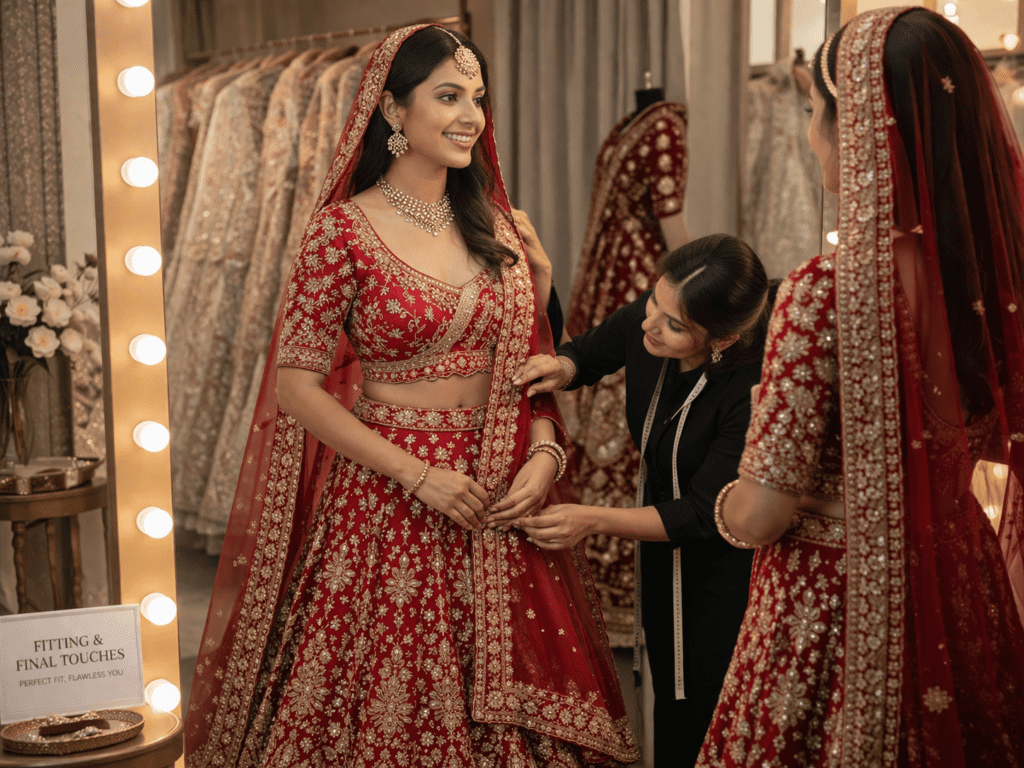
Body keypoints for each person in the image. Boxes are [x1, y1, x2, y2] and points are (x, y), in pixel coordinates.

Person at [183, 25, 638, 768]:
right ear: (393, 111)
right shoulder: (341, 233)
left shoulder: (499, 228)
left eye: (478, 100)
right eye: (449, 96)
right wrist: (417, 474)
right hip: (387, 500)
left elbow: (531, 367)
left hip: (501, 499)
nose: (471, 117)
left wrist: (547, 454)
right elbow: (297, 388)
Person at [699, 8, 1024, 766]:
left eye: (815, 112)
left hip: (833, 610)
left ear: (863, 132)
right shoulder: (991, 281)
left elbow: (761, 514)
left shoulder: (826, 294)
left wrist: (725, 499)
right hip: (956, 587)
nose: (811, 135)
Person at [493, 234, 773, 765]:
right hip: (663, 560)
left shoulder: (749, 389)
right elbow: (591, 353)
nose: (650, 324)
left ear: (723, 338)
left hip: (728, 570)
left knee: (709, 706)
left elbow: (702, 512)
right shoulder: (653, 323)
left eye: (674, 325)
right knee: (668, 697)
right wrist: (563, 367)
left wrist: (590, 520)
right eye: (654, 302)